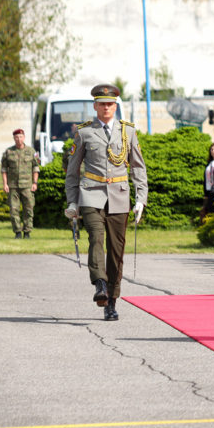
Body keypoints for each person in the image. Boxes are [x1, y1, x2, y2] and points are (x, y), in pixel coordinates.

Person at [64, 84, 148, 321]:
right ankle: (99, 284)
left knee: (116, 252)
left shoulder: (128, 132)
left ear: (116, 106)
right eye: (102, 104)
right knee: (96, 238)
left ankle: (111, 300)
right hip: (91, 193)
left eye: (110, 104)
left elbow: (139, 169)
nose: (106, 107)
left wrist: (141, 199)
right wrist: (73, 202)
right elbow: (73, 172)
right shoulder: (84, 132)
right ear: (95, 106)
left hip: (119, 195)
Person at [1, 128, 39, 239]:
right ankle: (17, 232)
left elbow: (35, 168)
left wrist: (35, 183)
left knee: (29, 209)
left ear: (24, 137)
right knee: (14, 210)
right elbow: (4, 169)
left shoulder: (31, 151)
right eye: (16, 137)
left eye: (20, 136)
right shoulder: (8, 152)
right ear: (14, 138)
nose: (19, 139)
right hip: (13, 186)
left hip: (27, 185)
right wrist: (5, 184)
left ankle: (27, 232)